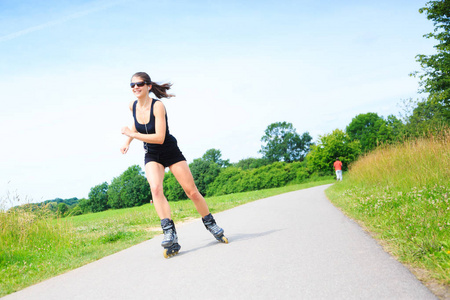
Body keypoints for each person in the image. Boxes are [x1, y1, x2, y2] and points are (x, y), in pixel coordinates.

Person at [120, 72, 228, 258]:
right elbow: (137, 125)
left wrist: (133, 135)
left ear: (148, 86)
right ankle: (170, 234)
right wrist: (127, 141)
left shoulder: (158, 106)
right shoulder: (133, 105)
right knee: (155, 189)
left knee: (191, 192)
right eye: (132, 85)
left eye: (139, 84)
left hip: (169, 150)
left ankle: (211, 223)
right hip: (152, 154)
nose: (135, 87)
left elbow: (160, 137)